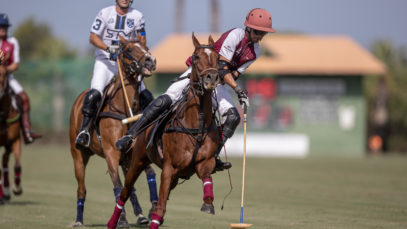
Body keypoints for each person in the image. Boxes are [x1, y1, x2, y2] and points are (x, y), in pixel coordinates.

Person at [116, 8, 275, 171]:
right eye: (258, 32)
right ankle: (130, 136)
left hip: (216, 84)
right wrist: (239, 91)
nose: (260, 36)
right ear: (248, 27)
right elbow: (221, 68)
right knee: (166, 99)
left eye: (263, 33)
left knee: (233, 117)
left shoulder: (255, 52)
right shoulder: (235, 36)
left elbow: (234, 74)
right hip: (197, 74)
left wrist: (235, 88)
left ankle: (213, 156)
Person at [75, 0, 154, 148]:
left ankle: (150, 136)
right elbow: (93, 37)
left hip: (126, 64)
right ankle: (84, 131)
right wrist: (108, 48)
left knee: (146, 96)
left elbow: (142, 38)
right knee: (95, 93)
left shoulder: (137, 16)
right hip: (105, 61)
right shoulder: (104, 13)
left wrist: (140, 52)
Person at [0, 13, 42, 144]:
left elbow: (16, 64)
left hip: (7, 77)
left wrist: (4, 70)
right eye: (1, 26)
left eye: (5, 27)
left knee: (24, 98)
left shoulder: (12, 42)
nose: (3, 29)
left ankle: (27, 131)